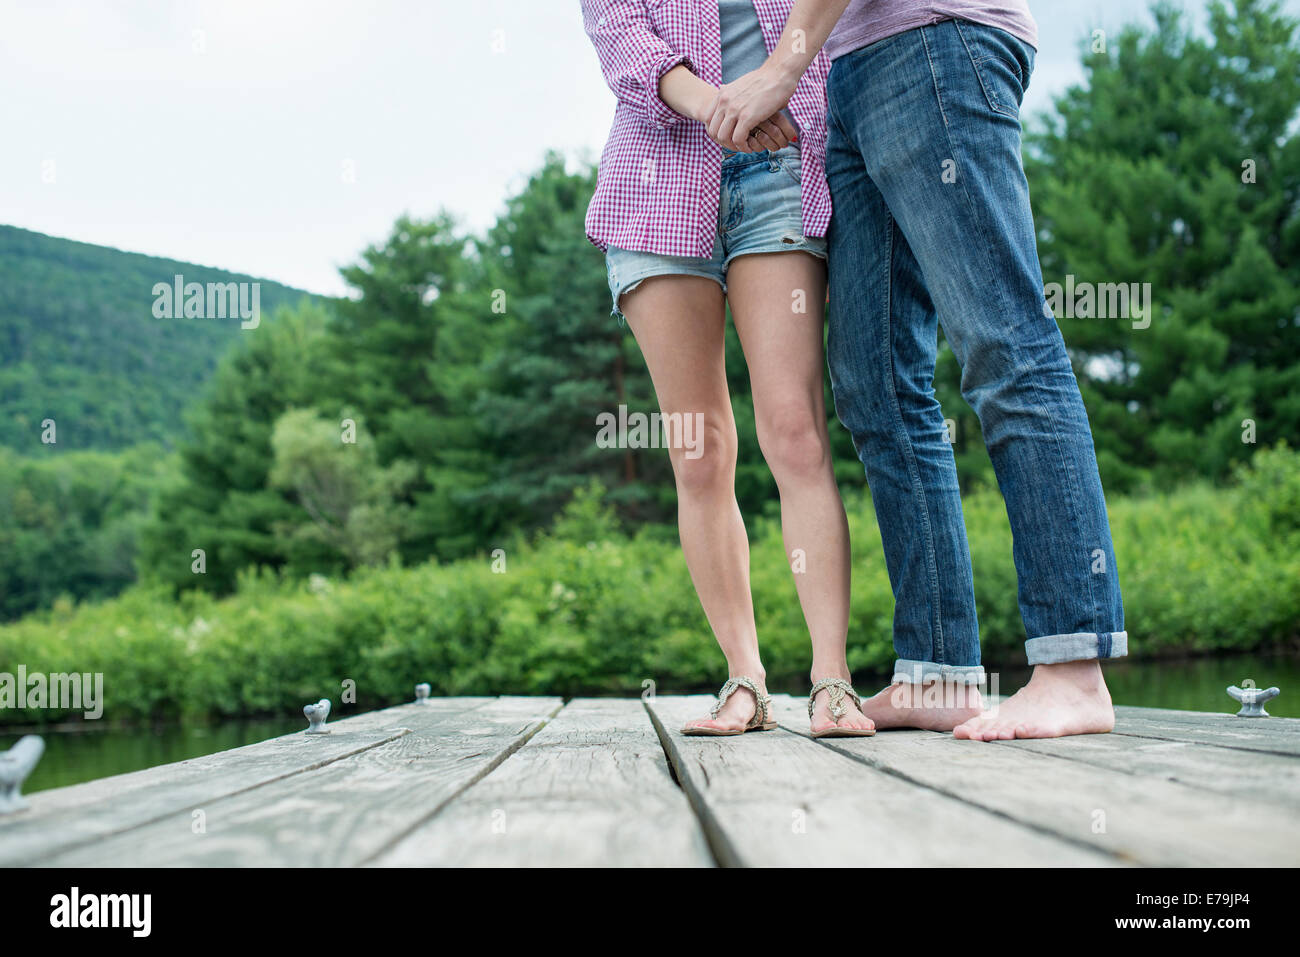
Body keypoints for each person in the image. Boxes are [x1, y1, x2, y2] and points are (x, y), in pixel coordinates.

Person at [705, 0, 1128, 740]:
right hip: (852, 69)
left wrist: (781, 68)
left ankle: (1074, 667)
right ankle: (935, 672)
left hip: (934, 41)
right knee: (877, 388)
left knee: (1005, 343)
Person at [581, 0, 875, 737]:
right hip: (658, 181)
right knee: (700, 452)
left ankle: (832, 680)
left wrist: (768, 93)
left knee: (796, 432)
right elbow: (623, 41)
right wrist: (720, 105)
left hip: (779, 162)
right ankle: (744, 677)